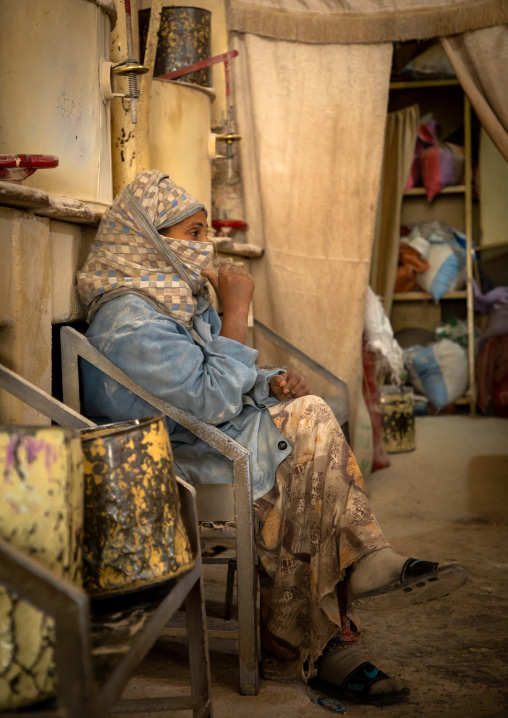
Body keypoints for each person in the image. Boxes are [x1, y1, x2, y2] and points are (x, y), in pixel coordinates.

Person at [77, 170, 468, 706]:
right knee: (306, 435)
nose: (205, 247)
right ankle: (335, 610)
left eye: (205, 233)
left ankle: (313, 627)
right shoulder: (132, 319)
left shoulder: (164, 300)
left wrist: (270, 381)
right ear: (148, 238)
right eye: (192, 235)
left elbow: (210, 380)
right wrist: (237, 310)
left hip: (202, 438)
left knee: (305, 427)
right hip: (163, 462)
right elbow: (212, 396)